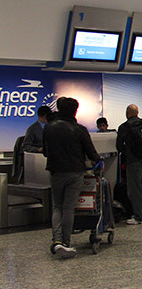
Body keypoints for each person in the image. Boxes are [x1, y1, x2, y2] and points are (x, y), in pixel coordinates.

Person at [42, 97, 101, 258]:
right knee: (69, 208)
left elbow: (45, 152)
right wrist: (98, 160)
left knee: (57, 206)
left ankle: (57, 240)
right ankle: (66, 242)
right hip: (75, 171)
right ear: (75, 110)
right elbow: (91, 152)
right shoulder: (79, 129)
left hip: (56, 171)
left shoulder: (49, 128)